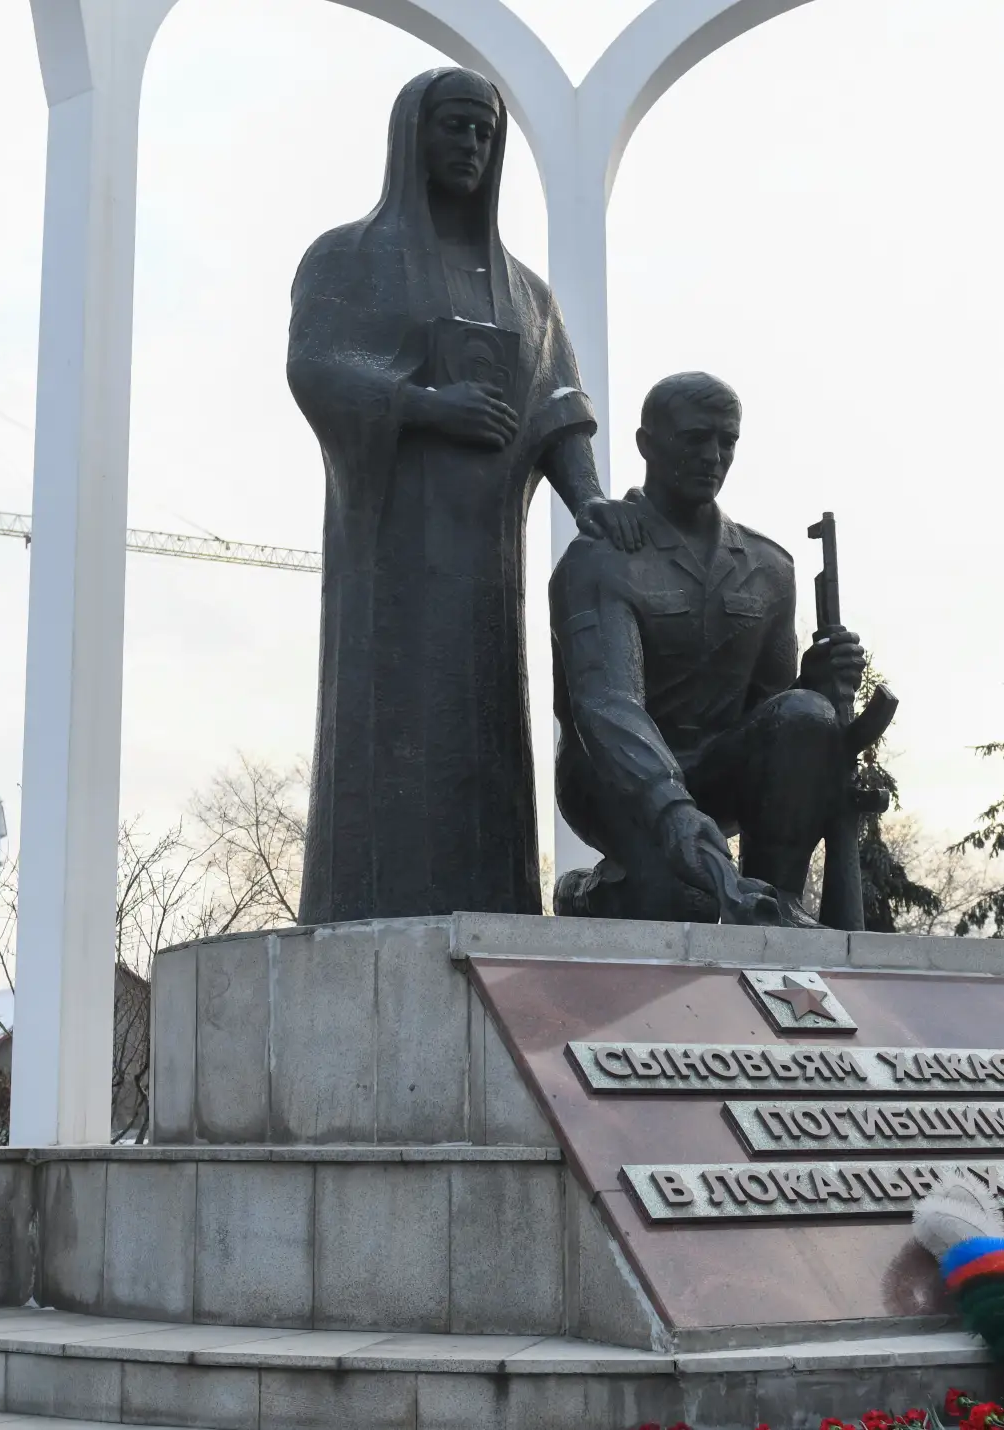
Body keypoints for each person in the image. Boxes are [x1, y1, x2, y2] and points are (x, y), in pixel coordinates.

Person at [287, 68, 642, 923]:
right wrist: (423, 404)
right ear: (413, 133)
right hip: (389, 562)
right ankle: (362, 907)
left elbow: (558, 409)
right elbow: (317, 365)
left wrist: (590, 500)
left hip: (487, 571)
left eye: (486, 132)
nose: (472, 145)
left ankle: (496, 907)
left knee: (483, 734)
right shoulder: (347, 258)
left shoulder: (527, 295)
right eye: (456, 126)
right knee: (389, 734)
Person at [549, 371, 867, 923]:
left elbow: (768, 716)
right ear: (647, 444)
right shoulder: (600, 557)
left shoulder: (769, 568)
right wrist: (673, 811)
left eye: (727, 441)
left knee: (805, 714)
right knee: (680, 905)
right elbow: (608, 709)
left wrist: (814, 690)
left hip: (712, 770)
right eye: (695, 438)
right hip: (613, 779)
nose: (713, 456)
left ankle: (776, 902)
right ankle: (586, 892)